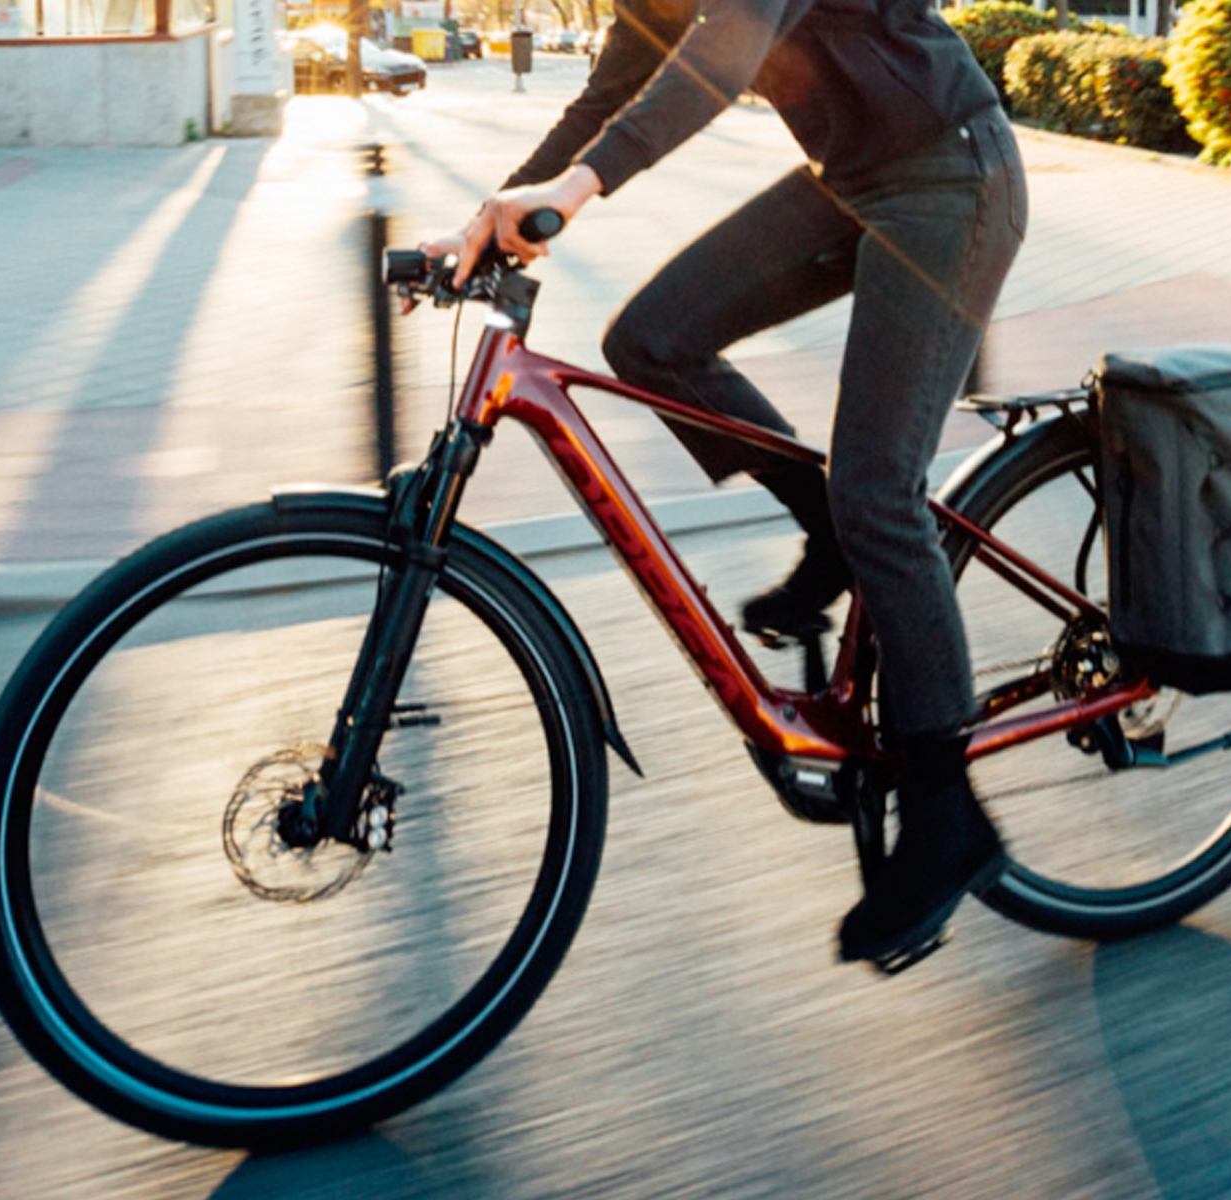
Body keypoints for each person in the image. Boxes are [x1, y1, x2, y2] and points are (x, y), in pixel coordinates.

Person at [426, 0, 1027, 971]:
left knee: (879, 493)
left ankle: (947, 817)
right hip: (854, 181)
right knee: (650, 341)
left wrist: (578, 191)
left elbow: (728, 46)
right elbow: (614, 88)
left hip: (952, 179)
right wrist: (490, 217)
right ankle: (828, 526)